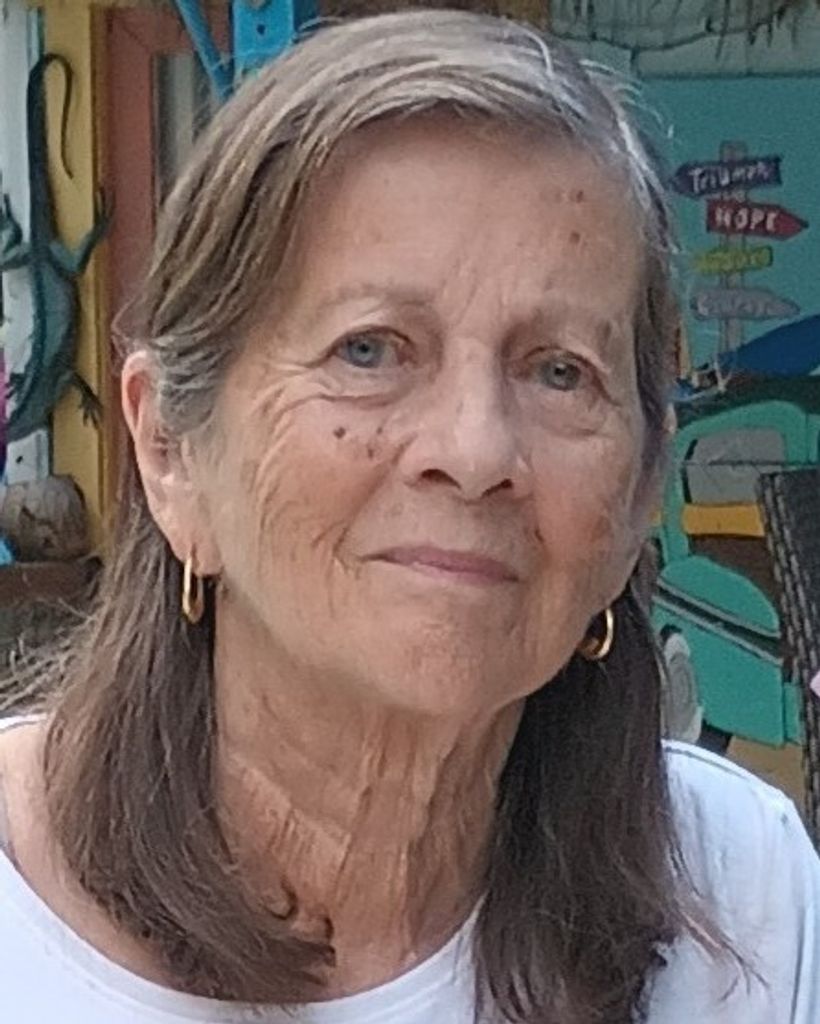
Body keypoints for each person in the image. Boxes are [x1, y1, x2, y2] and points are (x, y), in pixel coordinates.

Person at [0, 11, 818, 1024]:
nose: (475, 452)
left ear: (642, 488)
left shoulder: (740, 898)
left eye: (560, 371)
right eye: (370, 349)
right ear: (170, 448)